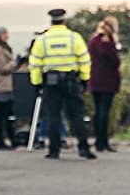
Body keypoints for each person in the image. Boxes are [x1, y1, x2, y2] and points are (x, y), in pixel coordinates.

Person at [28, 9, 95, 160]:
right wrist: (85, 79)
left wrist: (37, 83)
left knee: (53, 116)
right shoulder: (74, 38)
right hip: (71, 80)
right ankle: (84, 149)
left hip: (51, 82)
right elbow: (84, 60)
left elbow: (35, 64)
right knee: (77, 115)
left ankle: (54, 150)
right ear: (64, 21)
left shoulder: (42, 40)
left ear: (51, 21)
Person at [88, 16, 122, 152]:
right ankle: (104, 141)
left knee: (97, 111)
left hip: (95, 79)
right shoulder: (109, 42)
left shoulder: (93, 40)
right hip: (108, 80)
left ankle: (98, 140)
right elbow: (115, 61)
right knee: (104, 111)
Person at [0, 27, 18, 150]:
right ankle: (1, 141)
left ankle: (12, 140)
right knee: (2, 115)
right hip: (2, 86)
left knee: (9, 115)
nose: (7, 36)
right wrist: (15, 63)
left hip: (7, 86)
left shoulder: (4, 48)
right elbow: (2, 68)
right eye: (5, 34)